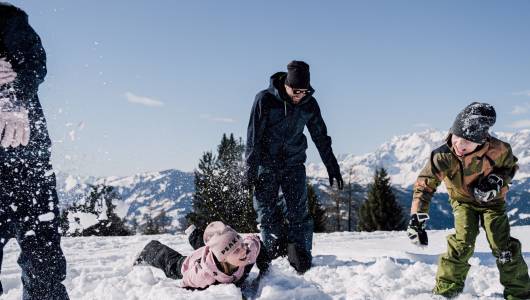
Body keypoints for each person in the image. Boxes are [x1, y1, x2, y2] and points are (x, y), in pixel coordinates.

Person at [407, 102, 530, 299]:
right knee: (463, 242)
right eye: (456, 137)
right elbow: (425, 184)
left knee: (502, 245)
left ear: (481, 141)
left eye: (466, 142)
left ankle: (519, 292)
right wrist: (417, 217)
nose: (459, 145)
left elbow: (510, 167)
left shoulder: (499, 149)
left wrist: (496, 180)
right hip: (463, 201)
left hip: (493, 204)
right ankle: (446, 291)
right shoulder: (443, 156)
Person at [244, 60, 343, 273]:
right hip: (266, 165)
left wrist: (332, 166)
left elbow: (321, 137)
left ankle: (301, 256)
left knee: (299, 213)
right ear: (286, 85)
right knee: (266, 212)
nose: (299, 95)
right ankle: (273, 255)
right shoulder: (265, 100)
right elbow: (253, 138)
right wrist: (250, 171)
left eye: (304, 91)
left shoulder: (309, 104)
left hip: (293, 164)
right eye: (296, 91)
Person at [0, 3, 69, 299]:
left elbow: (33, 59)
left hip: (28, 163)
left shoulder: (6, 19)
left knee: (44, 264)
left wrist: (14, 97)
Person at [134, 221, 270, 289]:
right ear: (223, 258)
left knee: (210, 246)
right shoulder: (203, 275)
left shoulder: (248, 252)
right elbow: (186, 281)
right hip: (194, 263)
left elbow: (256, 241)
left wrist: (265, 270)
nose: (243, 250)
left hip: (215, 254)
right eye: (236, 250)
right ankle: (150, 249)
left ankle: (194, 234)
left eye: (242, 244)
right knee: (173, 264)